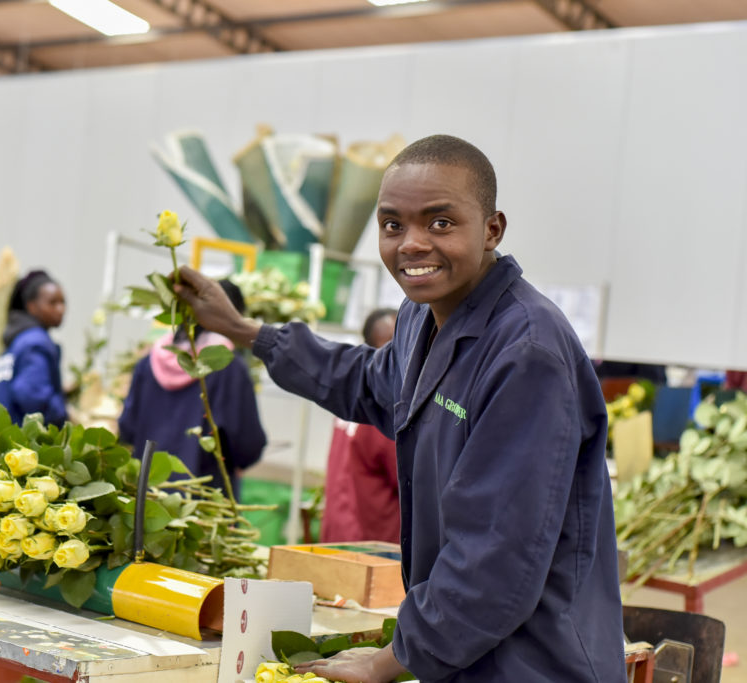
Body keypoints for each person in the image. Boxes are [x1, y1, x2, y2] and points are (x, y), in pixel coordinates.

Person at [175, 135, 625, 682]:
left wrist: (388, 662)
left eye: (440, 222)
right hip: (469, 651)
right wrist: (246, 331)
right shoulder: (422, 317)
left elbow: (495, 558)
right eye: (393, 225)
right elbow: (368, 381)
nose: (412, 244)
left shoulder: (525, 354)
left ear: (492, 229)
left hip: (533, 660)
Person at [118, 279, 266, 499]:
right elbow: (248, 444)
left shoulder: (147, 363)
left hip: (146, 500)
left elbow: (127, 428)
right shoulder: (227, 367)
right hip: (202, 503)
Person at [320, 308, 400, 544]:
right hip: (373, 544)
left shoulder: (352, 397)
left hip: (339, 532)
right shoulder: (385, 406)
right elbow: (411, 484)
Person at [0, 269, 68, 427]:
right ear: (31, 307)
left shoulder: (17, 339)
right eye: (52, 303)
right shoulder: (36, 341)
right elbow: (31, 392)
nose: (60, 309)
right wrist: (62, 415)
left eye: (62, 302)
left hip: (3, 439)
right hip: (22, 442)